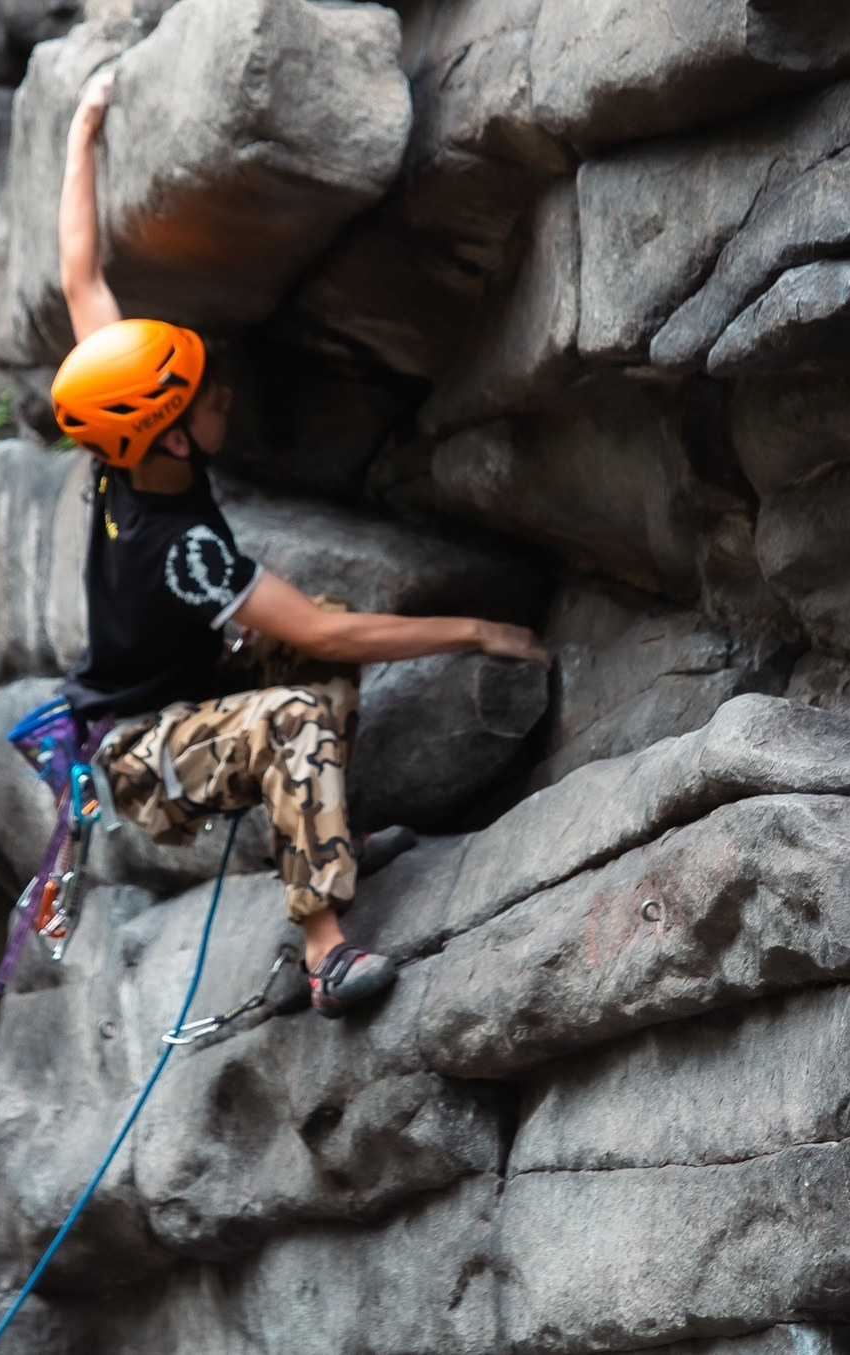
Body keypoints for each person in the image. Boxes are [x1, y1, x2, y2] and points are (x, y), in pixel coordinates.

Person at [47, 67, 550, 1019]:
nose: (222, 395)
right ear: (167, 430)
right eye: (203, 398)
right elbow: (334, 640)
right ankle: (324, 952)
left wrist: (85, 129)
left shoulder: (123, 448)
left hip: (174, 697)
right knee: (297, 703)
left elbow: (82, 277)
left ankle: (322, 842)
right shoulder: (181, 548)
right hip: (138, 751)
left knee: (303, 655)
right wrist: (476, 632)